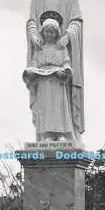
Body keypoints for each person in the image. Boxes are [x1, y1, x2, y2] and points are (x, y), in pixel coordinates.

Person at [25, 0, 84, 146]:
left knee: (61, 98)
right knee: (45, 99)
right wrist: (34, 35)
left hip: (61, 50)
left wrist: (67, 36)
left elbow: (76, 20)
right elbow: (32, 20)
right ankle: (46, 132)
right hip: (43, 53)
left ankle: (66, 134)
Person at [23, 11, 74, 142]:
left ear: (56, 33)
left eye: (52, 32)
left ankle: (61, 133)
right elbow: (35, 63)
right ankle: (48, 134)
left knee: (58, 107)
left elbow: (66, 62)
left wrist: (63, 71)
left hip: (57, 82)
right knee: (46, 108)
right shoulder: (40, 49)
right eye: (47, 32)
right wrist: (32, 71)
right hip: (44, 82)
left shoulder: (61, 48)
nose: (49, 35)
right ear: (43, 32)